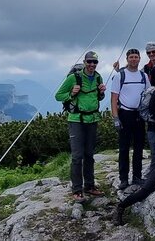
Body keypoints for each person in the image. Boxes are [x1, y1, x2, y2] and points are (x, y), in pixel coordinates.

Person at [55, 51, 106, 202]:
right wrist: (71, 94)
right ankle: (77, 189)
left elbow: (98, 97)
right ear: (84, 62)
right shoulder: (74, 78)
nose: (92, 65)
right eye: (89, 62)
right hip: (76, 120)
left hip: (92, 119)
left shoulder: (98, 77)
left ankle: (89, 186)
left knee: (89, 155)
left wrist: (102, 93)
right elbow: (58, 95)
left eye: (94, 62)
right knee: (77, 156)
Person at [110, 49, 150, 190]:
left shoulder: (143, 76)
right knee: (124, 148)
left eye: (136, 57)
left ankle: (137, 177)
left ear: (139, 59)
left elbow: (148, 95)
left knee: (138, 148)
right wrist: (115, 118)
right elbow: (114, 99)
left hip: (139, 115)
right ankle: (123, 179)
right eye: (131, 57)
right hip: (124, 114)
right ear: (127, 59)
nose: (134, 59)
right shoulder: (120, 76)